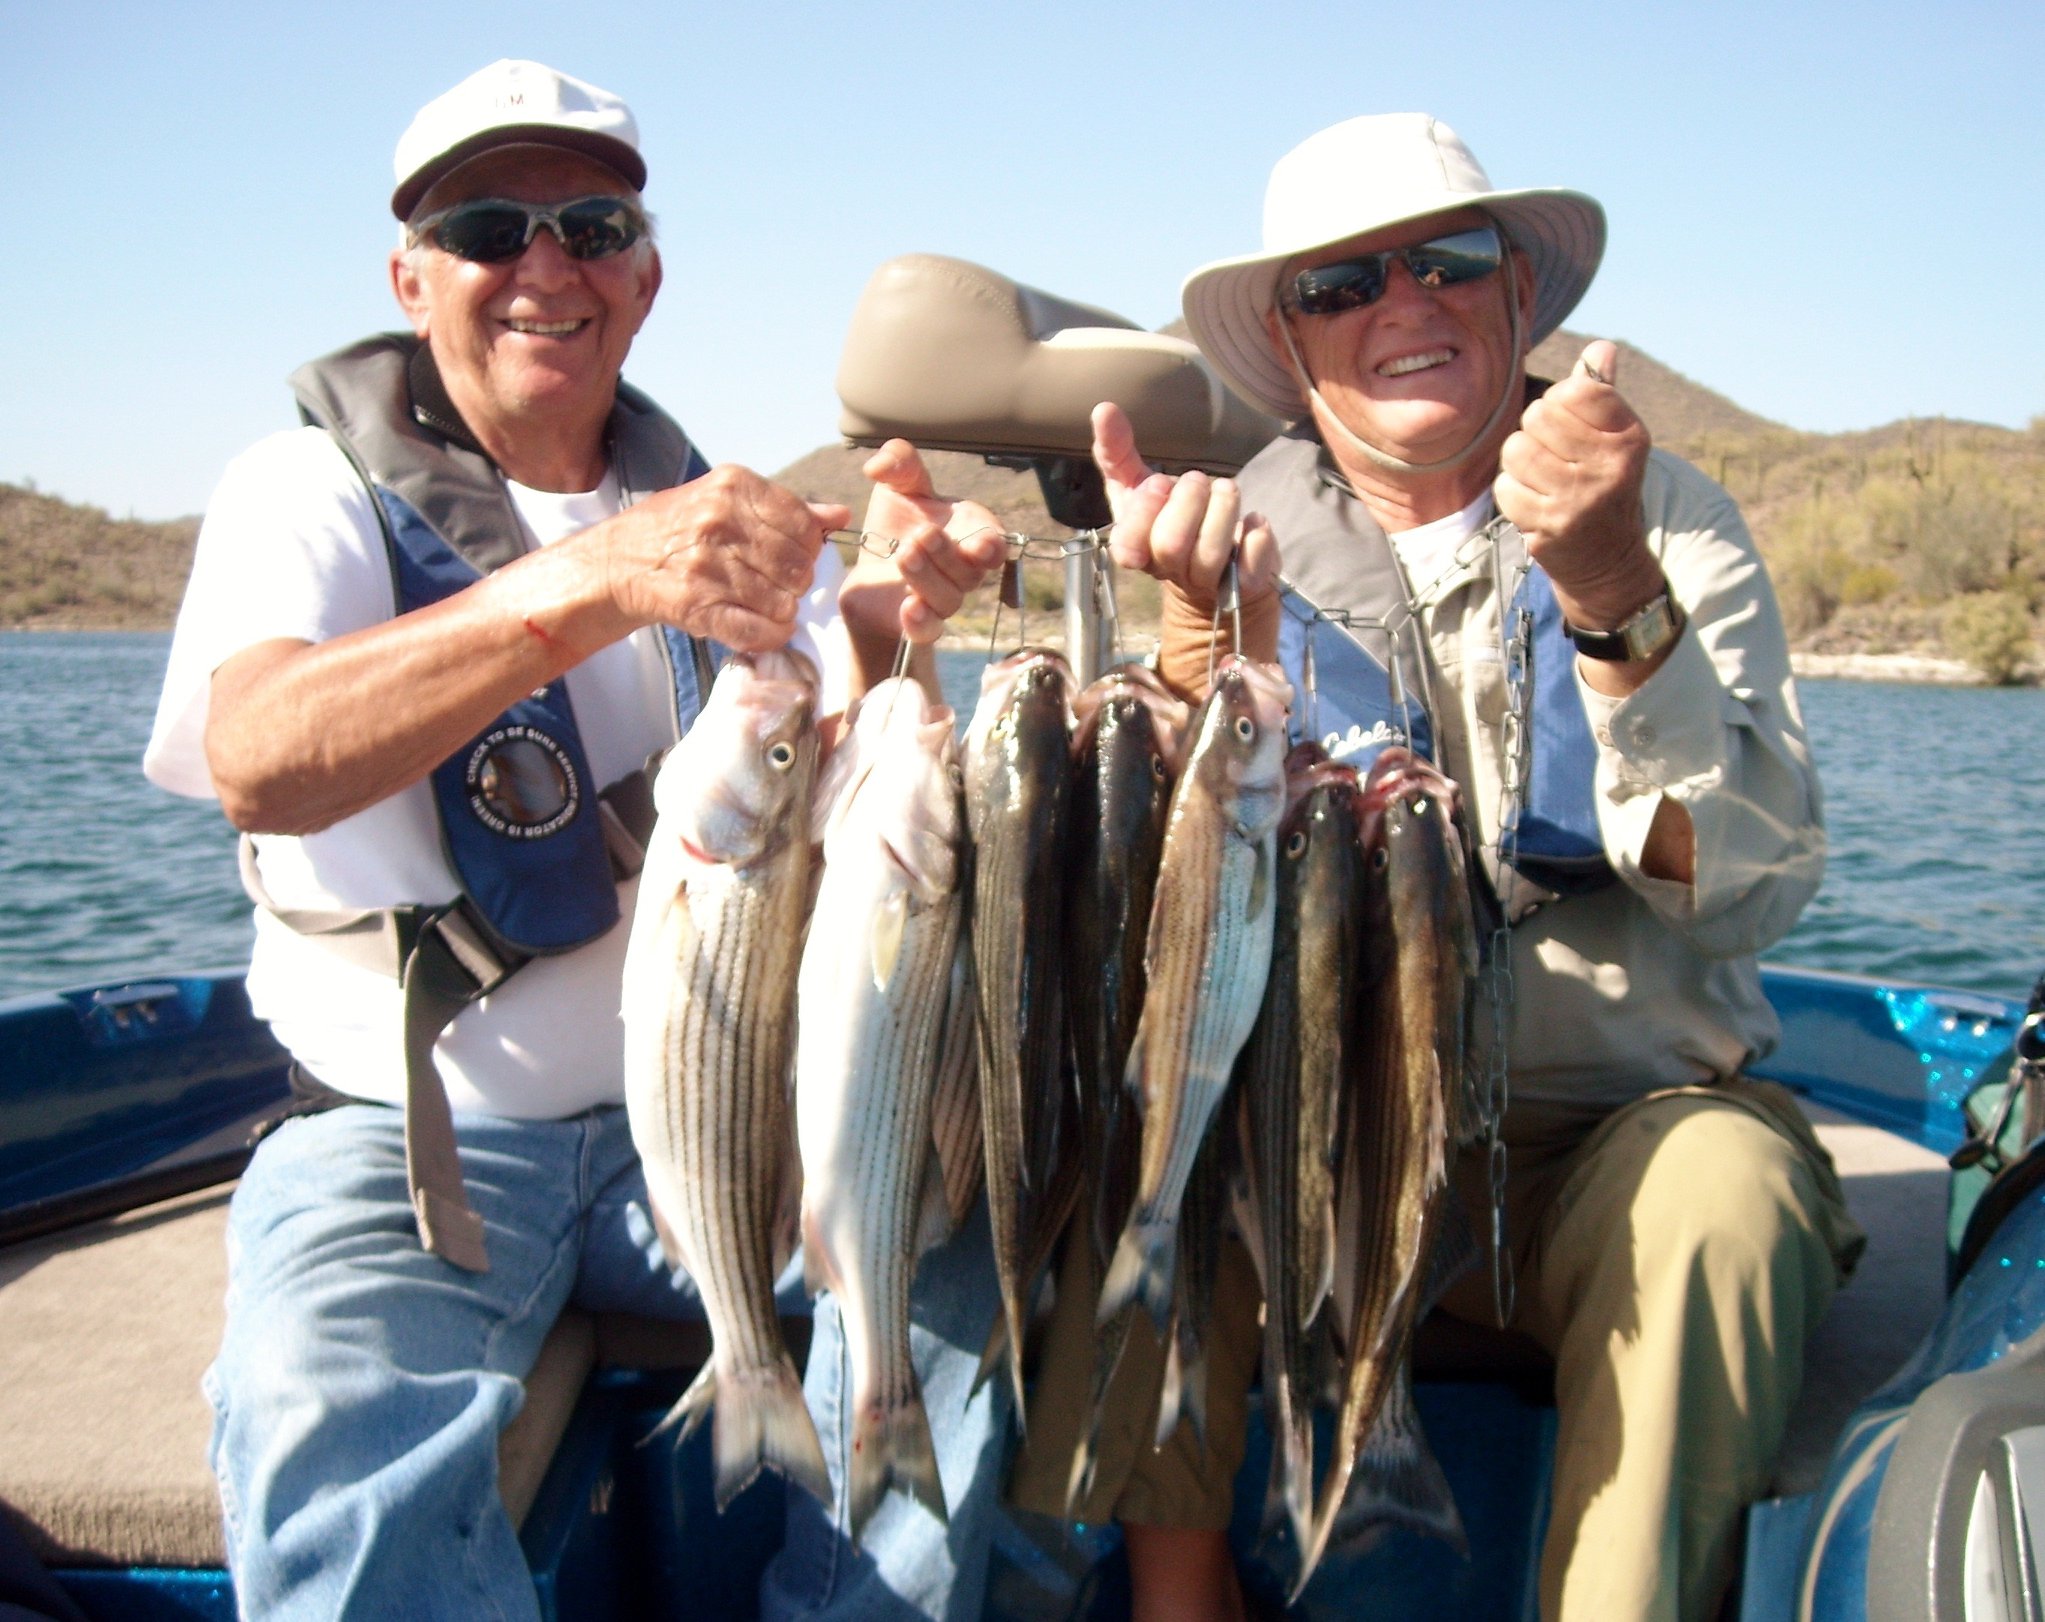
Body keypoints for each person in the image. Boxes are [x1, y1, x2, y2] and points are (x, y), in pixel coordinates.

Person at [143, 59, 1012, 1621]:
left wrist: (898, 626)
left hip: (727, 1105)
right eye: (489, 224)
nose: (545, 264)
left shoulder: (722, 513)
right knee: (319, 1418)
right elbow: (259, 757)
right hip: (409, 1139)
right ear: (410, 277)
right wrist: (596, 578)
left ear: (645, 275)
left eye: (592, 223)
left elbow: (846, 780)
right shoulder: (303, 491)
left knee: (969, 1255)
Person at [1013, 113, 1865, 1622]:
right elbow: (1153, 947)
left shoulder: (1669, 521)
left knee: (1724, 1194)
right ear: (1289, 338)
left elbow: (1748, 888)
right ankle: (1175, 1600)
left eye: (1445, 260)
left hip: (1607, 1136)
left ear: (1517, 295)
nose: (1399, 303)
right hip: (1318, 1125)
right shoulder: (1226, 538)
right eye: (1340, 283)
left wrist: (1609, 592)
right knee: (1143, 1146)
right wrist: (1203, 651)